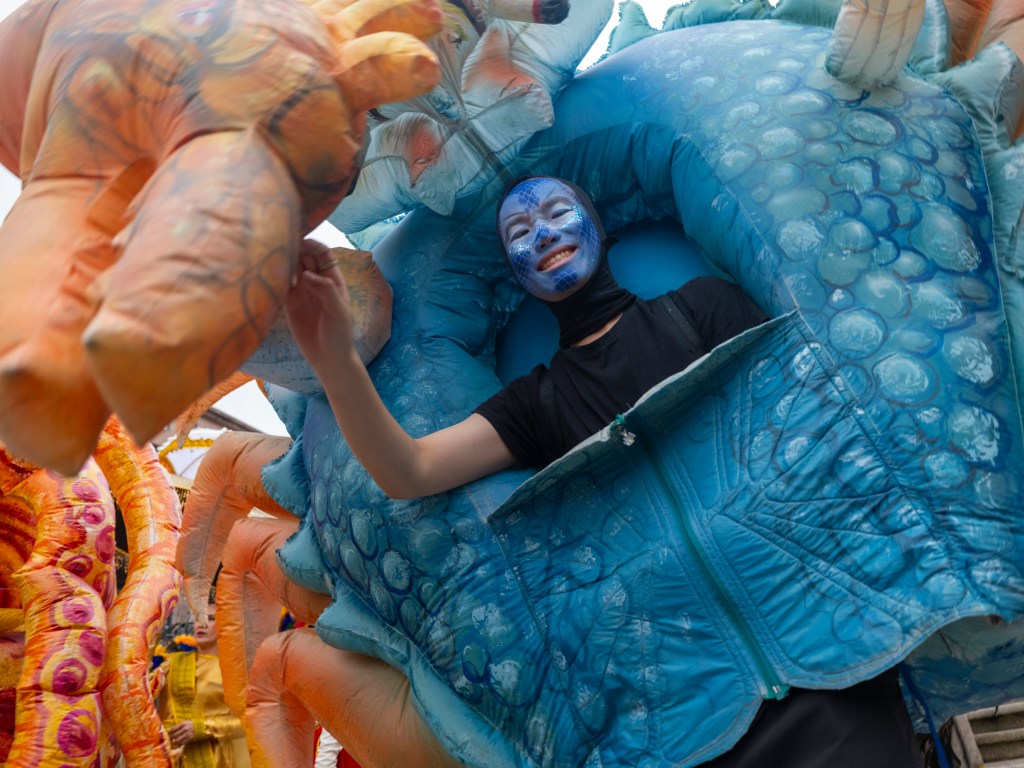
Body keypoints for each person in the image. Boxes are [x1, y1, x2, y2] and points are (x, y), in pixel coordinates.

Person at [284, 176, 921, 767]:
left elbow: (813, 431)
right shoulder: (537, 403)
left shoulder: (704, 308)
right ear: (517, 274)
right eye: (518, 233)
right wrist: (336, 362)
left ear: (600, 227)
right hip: (688, 720)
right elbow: (409, 470)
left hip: (825, 661)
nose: (542, 233)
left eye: (559, 212)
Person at [155, 601, 251, 768]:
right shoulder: (172, 664)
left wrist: (203, 728)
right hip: (175, 758)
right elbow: (139, 689)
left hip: (222, 759)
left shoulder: (238, 671)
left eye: (211, 618)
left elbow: (250, 721)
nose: (202, 624)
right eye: (198, 618)